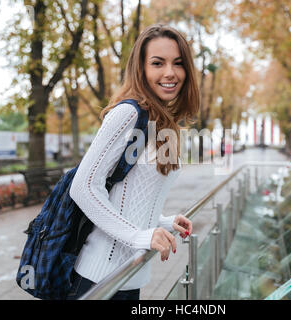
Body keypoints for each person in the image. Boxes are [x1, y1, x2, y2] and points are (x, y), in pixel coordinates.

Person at [67, 23, 200, 300]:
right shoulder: (128, 113)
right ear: (141, 69)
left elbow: (125, 198)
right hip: (99, 278)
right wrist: (141, 237)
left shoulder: (163, 123)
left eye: (178, 63)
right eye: (157, 63)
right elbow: (83, 186)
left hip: (130, 275)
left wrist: (163, 223)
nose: (169, 73)